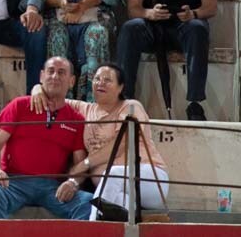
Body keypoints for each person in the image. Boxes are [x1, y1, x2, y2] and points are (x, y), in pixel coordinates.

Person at [29, 63, 171, 218]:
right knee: (118, 212)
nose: (100, 83)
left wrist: (84, 164)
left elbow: (123, 143)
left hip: (148, 180)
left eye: (107, 80)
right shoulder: (85, 109)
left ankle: (94, 228)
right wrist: (37, 88)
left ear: (120, 87)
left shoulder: (130, 106)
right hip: (114, 192)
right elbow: (53, 99)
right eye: (97, 79)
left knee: (112, 175)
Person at [0, 56, 93, 219]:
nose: (55, 76)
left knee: (88, 202)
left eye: (61, 72)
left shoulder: (77, 119)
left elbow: (79, 162)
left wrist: (73, 183)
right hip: (14, 182)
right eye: (50, 71)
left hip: (52, 187)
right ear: (41, 76)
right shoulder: (19, 105)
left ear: (72, 81)